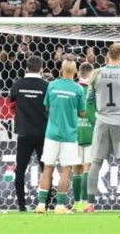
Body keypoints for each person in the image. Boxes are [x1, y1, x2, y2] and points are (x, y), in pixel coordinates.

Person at [85, 42, 120, 212]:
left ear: (108, 55)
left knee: (96, 162)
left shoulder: (96, 73)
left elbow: (89, 99)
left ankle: (90, 204)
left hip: (102, 122)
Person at [35, 59, 86, 214]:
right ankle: (59, 206)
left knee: (47, 168)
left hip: (51, 134)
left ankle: (41, 204)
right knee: (66, 170)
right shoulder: (78, 89)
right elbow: (82, 112)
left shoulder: (52, 85)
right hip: (69, 136)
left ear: (61, 70)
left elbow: (47, 106)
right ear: (75, 71)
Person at [9, 55, 48, 212]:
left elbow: (12, 103)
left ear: (26, 68)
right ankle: (46, 203)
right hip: (42, 133)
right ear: (41, 69)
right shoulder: (46, 86)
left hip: (24, 132)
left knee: (20, 170)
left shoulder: (18, 85)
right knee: (46, 169)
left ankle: (21, 205)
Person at [72, 62, 96, 212]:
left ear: (78, 73)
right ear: (91, 74)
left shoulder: (73, 89)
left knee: (77, 169)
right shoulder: (94, 91)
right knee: (88, 168)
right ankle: (86, 203)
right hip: (91, 131)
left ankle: (76, 204)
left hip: (74, 132)